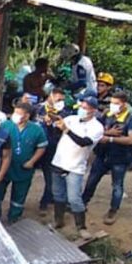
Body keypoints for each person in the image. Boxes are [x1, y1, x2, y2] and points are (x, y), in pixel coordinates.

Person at [49, 96, 104, 238]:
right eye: (81, 107)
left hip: (76, 166)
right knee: (58, 194)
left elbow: (83, 142)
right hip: (59, 161)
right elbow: (56, 134)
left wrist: (67, 130)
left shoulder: (97, 127)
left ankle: (81, 227)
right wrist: (53, 124)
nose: (82, 110)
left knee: (74, 198)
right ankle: (58, 220)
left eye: (86, 108)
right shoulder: (71, 119)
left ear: (94, 110)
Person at [82, 90, 132, 225]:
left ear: (124, 104)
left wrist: (110, 139)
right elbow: (96, 129)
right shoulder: (107, 114)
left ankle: (113, 210)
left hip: (120, 157)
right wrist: (108, 134)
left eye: (116, 103)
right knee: (91, 180)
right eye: (112, 102)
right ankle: (82, 203)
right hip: (103, 155)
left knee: (117, 185)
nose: (113, 106)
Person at [0, 101, 47, 223]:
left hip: (24, 168)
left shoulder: (37, 130)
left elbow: (42, 147)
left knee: (19, 195)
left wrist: (32, 161)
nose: (16, 115)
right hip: (4, 166)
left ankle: (14, 217)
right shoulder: (5, 125)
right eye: (15, 112)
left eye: (19, 113)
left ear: (27, 115)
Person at [37, 86, 71, 213]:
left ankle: (45, 202)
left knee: (50, 177)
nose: (59, 102)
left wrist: (56, 120)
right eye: (58, 99)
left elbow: (65, 127)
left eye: (62, 100)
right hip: (35, 148)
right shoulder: (38, 108)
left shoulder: (65, 112)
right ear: (51, 95)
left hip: (52, 149)